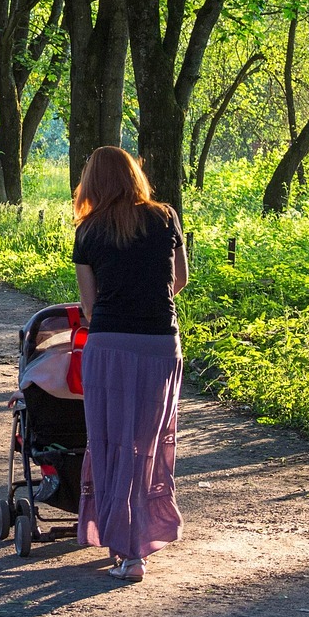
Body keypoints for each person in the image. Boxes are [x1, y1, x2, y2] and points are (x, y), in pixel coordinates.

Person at [71, 145, 189, 583]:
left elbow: (88, 305)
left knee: (110, 443)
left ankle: (125, 550)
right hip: (160, 344)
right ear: (134, 176)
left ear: (92, 183)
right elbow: (179, 279)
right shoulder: (165, 217)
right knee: (149, 444)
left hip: (109, 346)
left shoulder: (88, 230)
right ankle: (142, 539)